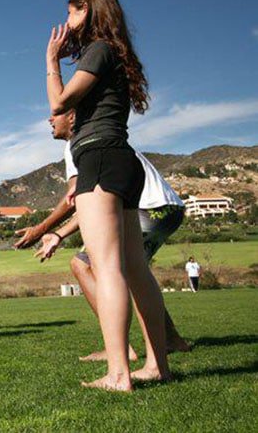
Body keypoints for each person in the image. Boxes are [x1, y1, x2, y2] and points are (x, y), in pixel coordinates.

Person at [43, 0, 170, 391]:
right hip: (122, 160)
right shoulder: (111, 51)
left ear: (90, 11)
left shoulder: (97, 49)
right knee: (136, 269)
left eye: (73, 13)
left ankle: (119, 374)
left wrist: (50, 60)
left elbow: (60, 104)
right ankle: (157, 366)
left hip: (99, 157)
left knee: (108, 266)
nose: (67, 23)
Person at [15, 109, 191, 361]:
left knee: (83, 265)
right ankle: (171, 339)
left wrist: (41, 229)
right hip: (167, 209)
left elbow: (74, 198)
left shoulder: (80, 143)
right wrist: (59, 234)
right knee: (134, 272)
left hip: (147, 209)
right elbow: (93, 204)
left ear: (74, 117)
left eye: (56, 114)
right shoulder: (100, 138)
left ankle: (120, 349)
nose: (50, 120)